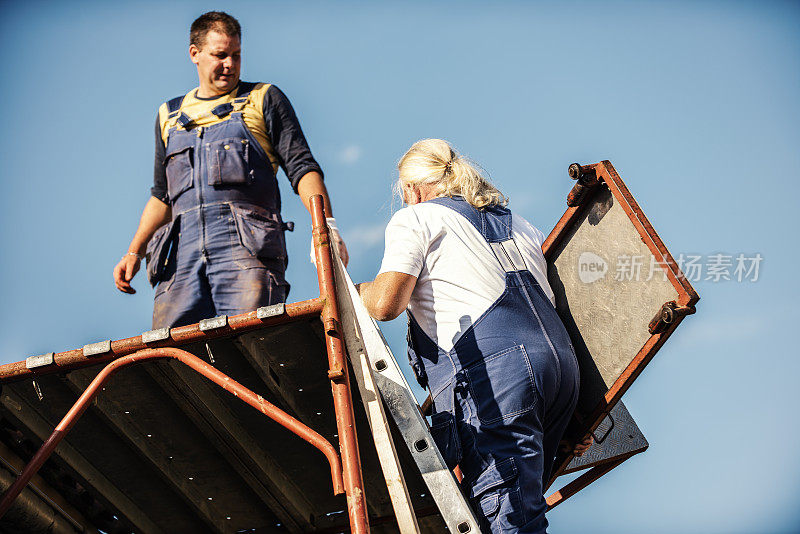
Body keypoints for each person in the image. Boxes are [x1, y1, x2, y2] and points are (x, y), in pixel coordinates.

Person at [358, 139, 587, 533]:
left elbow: (386, 305)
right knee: (523, 505)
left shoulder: (417, 218)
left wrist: (351, 289)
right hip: (561, 372)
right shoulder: (520, 224)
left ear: (412, 189)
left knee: (506, 517)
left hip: (498, 374)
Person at [112, 11, 347, 328]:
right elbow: (162, 197)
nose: (230, 64)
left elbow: (303, 169)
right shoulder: (168, 115)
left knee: (254, 347)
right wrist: (134, 253)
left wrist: (326, 229)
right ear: (195, 54)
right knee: (177, 359)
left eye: (236, 55)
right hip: (179, 266)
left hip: (246, 257)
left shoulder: (263, 99)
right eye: (220, 55)